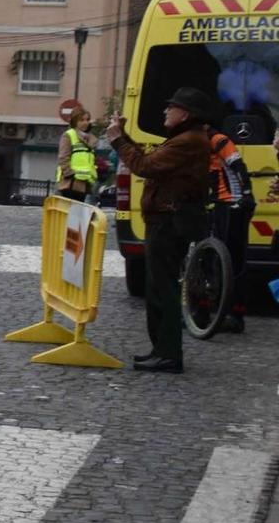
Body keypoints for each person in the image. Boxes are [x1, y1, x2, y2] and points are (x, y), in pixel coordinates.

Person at [108, 88, 217, 373]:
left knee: (163, 289)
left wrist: (119, 141)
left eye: (173, 107)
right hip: (165, 219)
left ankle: (168, 353)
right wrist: (124, 136)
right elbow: (149, 158)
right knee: (157, 287)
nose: (165, 111)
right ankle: (161, 350)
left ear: (186, 114)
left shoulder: (188, 142)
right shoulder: (184, 139)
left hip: (170, 222)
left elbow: (145, 166)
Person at [206, 123, 255, 334]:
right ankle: (209, 311)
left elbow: (238, 166)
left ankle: (236, 315)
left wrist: (246, 196)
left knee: (233, 261)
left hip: (233, 204)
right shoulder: (196, 143)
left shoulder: (219, 140)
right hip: (218, 204)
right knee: (213, 260)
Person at [55, 106, 97, 203]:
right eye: (81, 120)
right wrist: (69, 173)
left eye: (87, 119)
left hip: (84, 183)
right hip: (70, 183)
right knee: (70, 213)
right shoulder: (69, 135)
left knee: (78, 214)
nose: (85, 122)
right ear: (75, 121)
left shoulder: (89, 138)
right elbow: (63, 157)